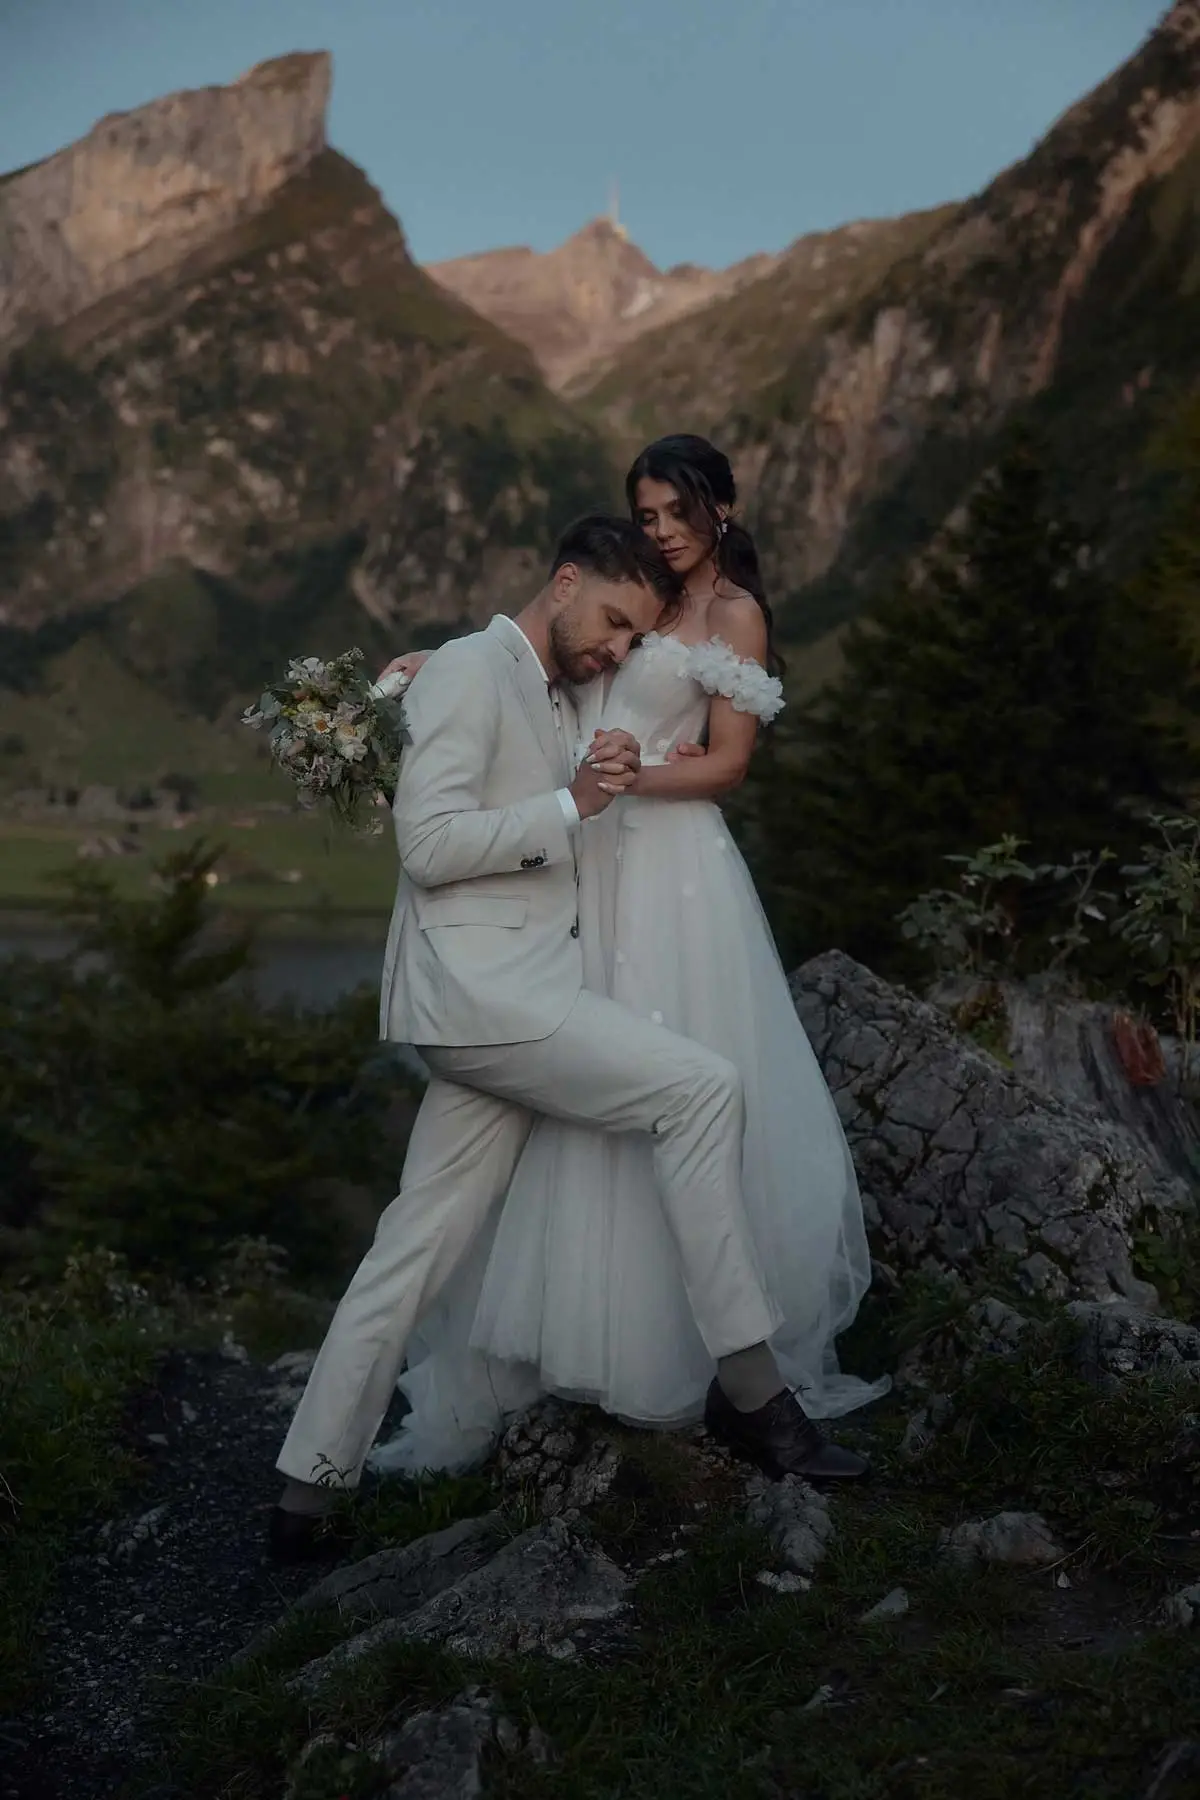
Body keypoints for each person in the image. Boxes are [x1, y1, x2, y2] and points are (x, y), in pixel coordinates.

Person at [270, 512, 866, 1564]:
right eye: (614, 623)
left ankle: (305, 1491)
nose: (618, 649)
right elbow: (428, 844)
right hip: (491, 1000)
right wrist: (570, 802)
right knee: (701, 1090)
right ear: (564, 582)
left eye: (636, 637)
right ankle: (754, 1393)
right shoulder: (473, 670)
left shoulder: (536, 682)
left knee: (415, 1242)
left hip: (502, 1000)